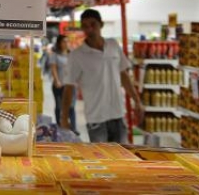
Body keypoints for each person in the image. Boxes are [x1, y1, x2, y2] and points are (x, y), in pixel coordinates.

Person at [60, 9, 143, 143]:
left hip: (118, 114)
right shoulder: (77, 55)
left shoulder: (113, 45)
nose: (89, 29)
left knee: (123, 159)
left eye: (93, 24)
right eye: (85, 26)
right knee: (103, 160)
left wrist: (137, 101)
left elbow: (124, 75)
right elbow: (68, 87)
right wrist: (64, 118)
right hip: (96, 119)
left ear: (101, 24)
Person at [48, 35, 77, 133]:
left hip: (70, 85)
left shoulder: (71, 54)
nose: (66, 44)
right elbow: (53, 68)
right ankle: (59, 126)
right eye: (64, 41)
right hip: (59, 85)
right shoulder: (55, 54)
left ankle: (73, 127)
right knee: (59, 106)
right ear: (59, 43)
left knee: (71, 106)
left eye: (67, 41)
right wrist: (57, 80)